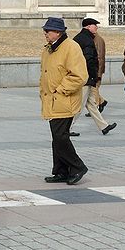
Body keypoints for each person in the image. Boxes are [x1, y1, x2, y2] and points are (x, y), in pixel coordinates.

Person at [39, 16, 88, 186]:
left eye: (48, 30)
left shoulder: (71, 48)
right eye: (44, 30)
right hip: (52, 100)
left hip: (64, 100)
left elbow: (80, 76)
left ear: (58, 32)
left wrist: (61, 90)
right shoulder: (48, 49)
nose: (44, 33)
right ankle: (60, 171)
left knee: (60, 136)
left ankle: (77, 166)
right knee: (57, 136)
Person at [75, 17, 115, 136]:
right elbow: (89, 60)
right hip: (85, 77)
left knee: (91, 103)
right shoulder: (86, 40)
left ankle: (104, 126)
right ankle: (67, 128)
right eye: (95, 25)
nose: (97, 27)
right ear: (88, 26)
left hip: (87, 76)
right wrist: (94, 75)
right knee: (79, 105)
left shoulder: (82, 38)